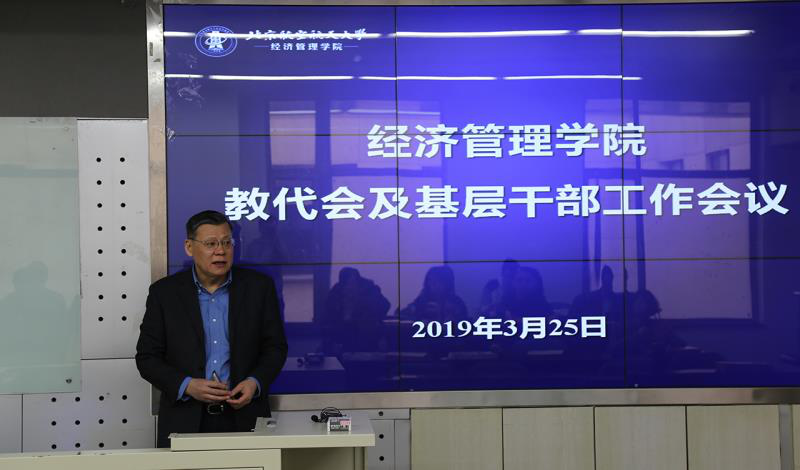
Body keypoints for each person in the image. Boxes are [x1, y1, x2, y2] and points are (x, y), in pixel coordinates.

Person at [135, 210, 288, 448]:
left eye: (227, 242)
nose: (221, 251)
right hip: (184, 419)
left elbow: (275, 348)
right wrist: (187, 385)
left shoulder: (259, 288)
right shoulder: (164, 294)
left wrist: (254, 382)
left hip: (245, 416)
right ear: (189, 247)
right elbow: (147, 358)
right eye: (210, 244)